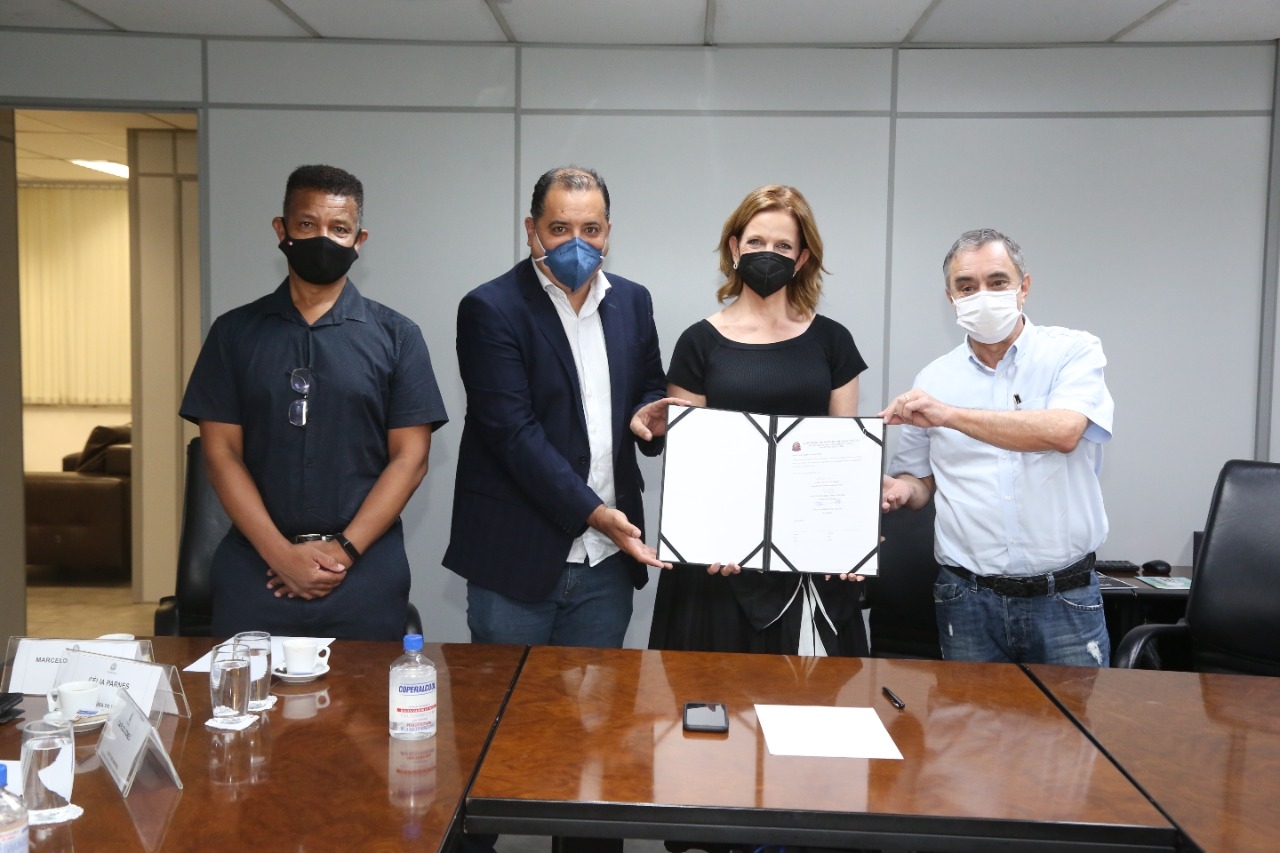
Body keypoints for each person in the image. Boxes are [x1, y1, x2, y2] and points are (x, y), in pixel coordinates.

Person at [180, 164, 448, 641]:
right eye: (307, 224)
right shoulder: (233, 334)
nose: (323, 238)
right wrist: (280, 555)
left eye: (339, 228)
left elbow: (411, 459)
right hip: (256, 570)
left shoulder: (398, 337)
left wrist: (343, 551)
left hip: (364, 571)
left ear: (359, 240)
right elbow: (221, 454)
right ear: (281, 230)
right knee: (246, 691)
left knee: (365, 693)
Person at [444, 165, 680, 649]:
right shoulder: (490, 308)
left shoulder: (633, 301)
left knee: (601, 700)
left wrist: (647, 416)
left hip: (607, 561)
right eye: (559, 228)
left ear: (608, 232)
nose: (577, 242)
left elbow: (649, 384)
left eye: (591, 229)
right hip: (515, 558)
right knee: (507, 697)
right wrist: (595, 512)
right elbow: (512, 433)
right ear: (531, 230)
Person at [648, 184, 870, 658]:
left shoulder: (833, 342)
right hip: (717, 565)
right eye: (755, 242)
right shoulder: (699, 342)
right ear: (734, 248)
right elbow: (691, 467)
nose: (768, 254)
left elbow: (842, 461)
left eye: (783, 246)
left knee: (814, 701)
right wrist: (709, 538)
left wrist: (850, 537)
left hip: (807, 558)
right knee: (711, 698)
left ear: (803, 258)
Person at [880, 228, 1114, 666]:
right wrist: (901, 490)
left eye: (997, 281)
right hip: (967, 599)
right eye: (966, 286)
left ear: (1024, 287)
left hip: (1064, 597)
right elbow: (920, 480)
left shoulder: (1071, 352)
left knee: (1074, 714)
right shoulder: (932, 379)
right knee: (969, 715)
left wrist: (950, 415)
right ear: (951, 298)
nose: (982, 295)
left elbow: (1064, 431)